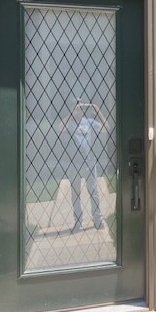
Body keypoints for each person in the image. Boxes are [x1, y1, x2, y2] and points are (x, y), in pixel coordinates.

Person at [64, 100, 107, 233]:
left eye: (82, 108)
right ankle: (78, 222)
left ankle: (97, 220)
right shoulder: (71, 124)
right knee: (75, 193)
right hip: (74, 164)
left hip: (89, 162)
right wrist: (71, 112)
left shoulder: (89, 122)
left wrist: (97, 111)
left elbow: (106, 128)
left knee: (93, 192)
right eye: (78, 108)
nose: (80, 111)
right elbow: (61, 127)